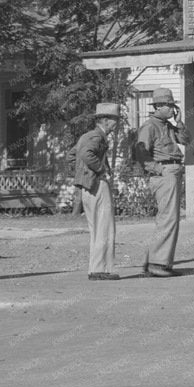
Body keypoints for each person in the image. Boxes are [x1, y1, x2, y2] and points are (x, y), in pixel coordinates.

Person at [133, 90, 189, 277]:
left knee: (169, 218)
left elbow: (186, 140)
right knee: (168, 218)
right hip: (164, 172)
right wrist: (158, 169)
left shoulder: (168, 126)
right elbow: (141, 152)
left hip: (172, 171)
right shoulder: (149, 127)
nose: (173, 109)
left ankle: (158, 262)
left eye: (173, 105)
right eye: (169, 105)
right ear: (158, 107)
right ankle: (158, 264)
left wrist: (178, 122)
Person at [73, 103, 121, 280]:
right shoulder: (96, 136)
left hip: (88, 186)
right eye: (115, 121)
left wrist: (82, 173)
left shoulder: (86, 136)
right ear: (107, 120)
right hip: (98, 185)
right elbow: (86, 154)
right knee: (105, 227)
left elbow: (74, 155)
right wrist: (100, 169)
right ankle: (100, 270)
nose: (117, 125)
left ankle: (95, 268)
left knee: (96, 228)